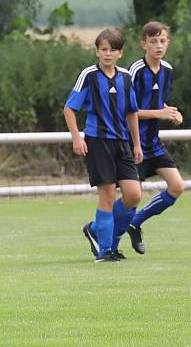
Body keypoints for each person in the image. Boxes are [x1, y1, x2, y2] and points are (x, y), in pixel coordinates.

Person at [64, 28, 143, 263]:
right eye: (103, 49)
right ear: (97, 51)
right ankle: (105, 251)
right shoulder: (89, 75)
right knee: (107, 194)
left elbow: (132, 112)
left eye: (113, 50)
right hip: (98, 142)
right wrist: (77, 137)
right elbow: (69, 108)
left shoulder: (126, 77)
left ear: (121, 52)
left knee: (133, 195)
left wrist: (136, 144)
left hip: (122, 143)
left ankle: (96, 228)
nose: (107, 54)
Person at [126, 21, 184, 254]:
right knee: (131, 198)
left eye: (162, 41)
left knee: (177, 186)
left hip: (154, 144)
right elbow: (127, 110)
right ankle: (103, 236)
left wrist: (172, 114)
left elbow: (161, 104)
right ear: (143, 44)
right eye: (153, 42)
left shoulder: (167, 70)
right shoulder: (135, 71)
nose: (158, 46)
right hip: (133, 144)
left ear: (168, 43)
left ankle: (135, 224)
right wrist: (159, 113)